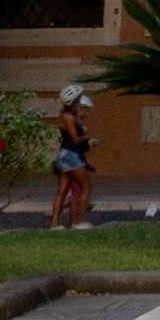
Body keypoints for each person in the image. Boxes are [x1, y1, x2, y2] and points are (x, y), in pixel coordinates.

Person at [50, 87, 95, 229]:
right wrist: (87, 137)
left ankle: (54, 224)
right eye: (77, 99)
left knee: (63, 190)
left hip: (65, 154)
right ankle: (77, 222)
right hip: (71, 155)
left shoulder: (67, 115)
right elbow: (75, 139)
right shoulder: (68, 117)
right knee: (86, 186)